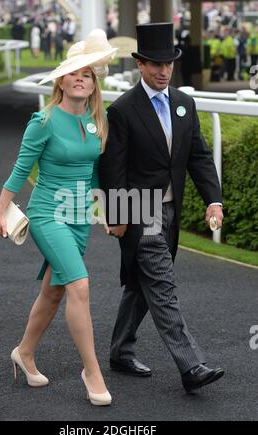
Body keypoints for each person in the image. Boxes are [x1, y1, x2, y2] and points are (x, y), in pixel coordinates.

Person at [0, 29, 117, 406]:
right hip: (48, 214)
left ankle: (25, 352)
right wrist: (0, 208)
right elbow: (21, 168)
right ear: (61, 80)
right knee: (79, 286)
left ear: (94, 84)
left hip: (80, 219)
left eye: (87, 74)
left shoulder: (98, 121)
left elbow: (93, 172)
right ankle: (91, 371)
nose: (80, 79)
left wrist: (106, 209)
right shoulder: (43, 120)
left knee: (55, 290)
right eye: (74, 73)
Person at [99, 23, 225, 393]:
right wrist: (118, 216)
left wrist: (213, 199)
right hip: (140, 211)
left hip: (171, 212)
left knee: (142, 284)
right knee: (163, 286)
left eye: (168, 63)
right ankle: (191, 366)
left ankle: (120, 351)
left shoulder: (185, 103)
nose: (163, 70)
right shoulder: (122, 110)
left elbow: (199, 157)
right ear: (139, 64)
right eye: (154, 63)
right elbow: (112, 170)